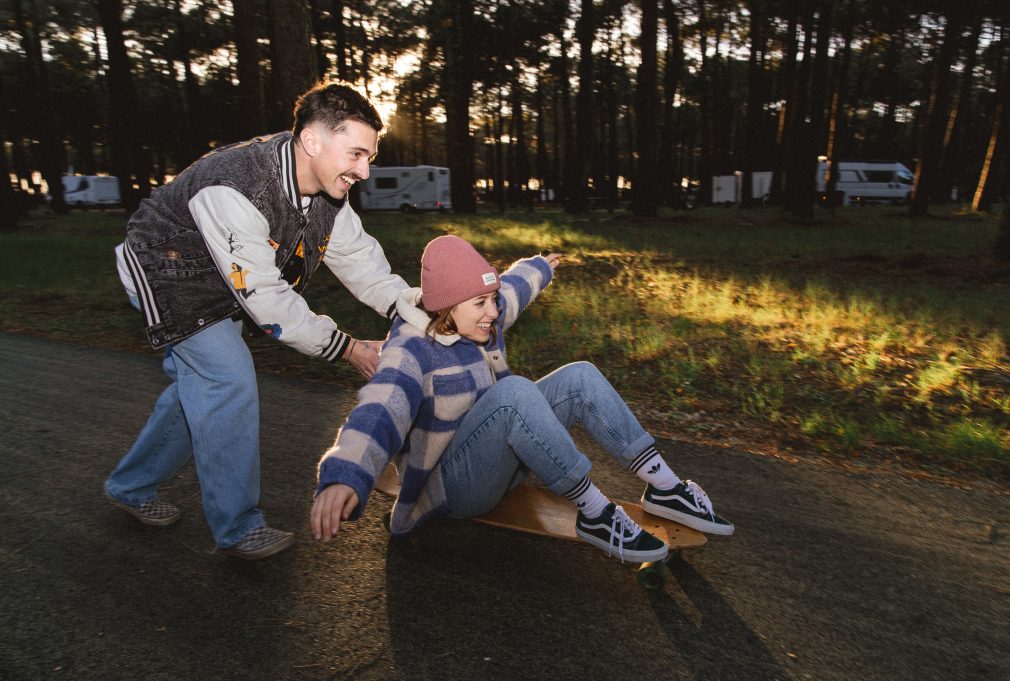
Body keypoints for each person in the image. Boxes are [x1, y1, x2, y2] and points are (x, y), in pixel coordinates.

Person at [105, 80, 408, 560]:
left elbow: (361, 261)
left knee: (200, 390)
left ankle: (131, 486)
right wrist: (348, 348)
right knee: (227, 379)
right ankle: (238, 527)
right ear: (312, 141)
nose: (364, 171)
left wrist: (417, 310)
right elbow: (267, 300)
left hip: (225, 278)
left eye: (369, 157)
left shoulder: (328, 190)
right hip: (166, 271)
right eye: (356, 154)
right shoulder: (235, 187)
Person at [310, 235, 733, 563]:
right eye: (481, 303)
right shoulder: (410, 350)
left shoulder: (477, 317)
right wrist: (345, 475)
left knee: (580, 376)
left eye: (491, 300)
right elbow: (378, 413)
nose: (493, 312)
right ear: (445, 309)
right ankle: (594, 514)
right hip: (454, 488)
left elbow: (512, 290)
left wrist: (540, 266)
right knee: (513, 393)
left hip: (503, 463)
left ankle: (665, 488)